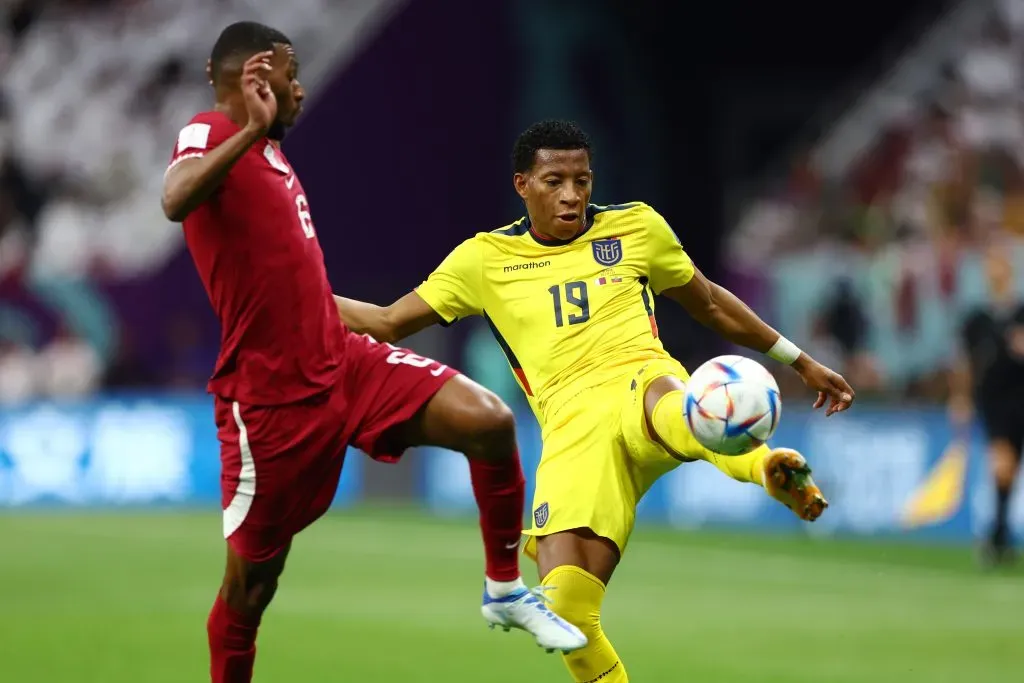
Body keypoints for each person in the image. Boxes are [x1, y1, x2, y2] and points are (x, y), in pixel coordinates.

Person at [335, 120, 856, 683]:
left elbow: (709, 302)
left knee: (679, 406)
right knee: (566, 612)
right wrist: (295, 288)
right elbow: (385, 322)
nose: (572, 195)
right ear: (522, 184)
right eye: (555, 180)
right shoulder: (484, 260)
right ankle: (760, 464)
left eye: (582, 180)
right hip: (571, 435)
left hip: (640, 383)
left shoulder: (636, 228)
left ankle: (766, 465)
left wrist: (799, 361)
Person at [160, 24, 586, 683]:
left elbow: (297, 284)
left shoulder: (274, 161)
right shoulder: (212, 132)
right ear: (257, 76)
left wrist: (380, 323)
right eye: (291, 74)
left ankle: (504, 588)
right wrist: (247, 131)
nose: (300, 88)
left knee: (490, 421)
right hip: (271, 405)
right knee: (250, 591)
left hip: (345, 363)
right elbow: (173, 197)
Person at [950, 244, 1024, 567]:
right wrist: (961, 397)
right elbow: (964, 362)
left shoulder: (1021, 312)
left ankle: (999, 535)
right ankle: (998, 536)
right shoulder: (977, 320)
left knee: (1010, 468)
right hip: (995, 399)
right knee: (1003, 464)